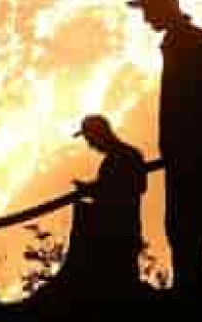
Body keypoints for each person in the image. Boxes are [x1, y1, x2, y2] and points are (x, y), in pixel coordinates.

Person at [127, 0, 202, 291]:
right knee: (190, 235)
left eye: (148, 10)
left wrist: (186, 149)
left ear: (163, 7)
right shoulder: (187, 42)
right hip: (190, 158)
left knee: (190, 234)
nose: (145, 18)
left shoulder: (188, 44)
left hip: (195, 161)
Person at [59, 115, 148, 298]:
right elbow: (132, 186)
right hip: (126, 231)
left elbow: (120, 191)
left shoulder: (118, 159)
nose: (90, 145)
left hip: (117, 233)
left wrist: (92, 190)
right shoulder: (130, 155)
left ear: (99, 134)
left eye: (90, 139)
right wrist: (93, 189)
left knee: (117, 287)